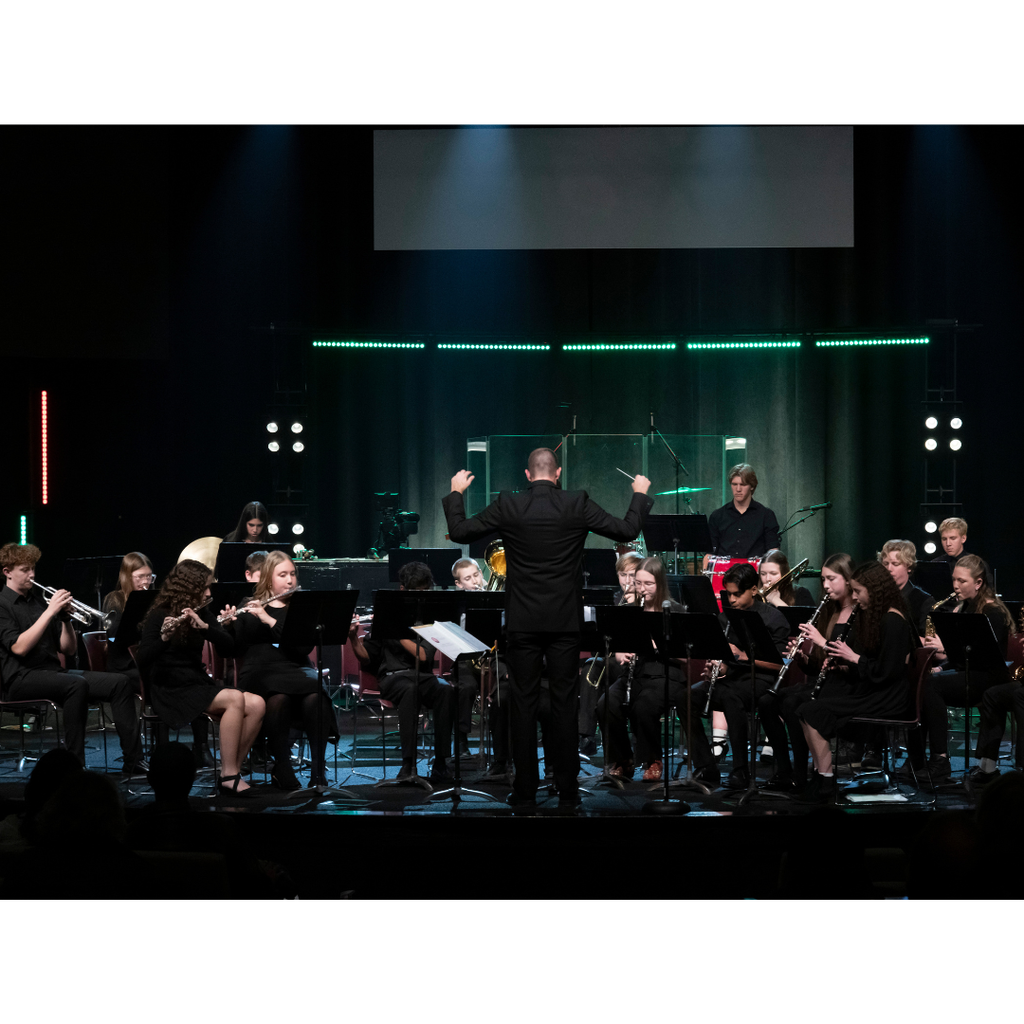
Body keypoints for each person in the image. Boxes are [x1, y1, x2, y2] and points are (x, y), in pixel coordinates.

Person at [442, 447, 653, 807]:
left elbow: (460, 532)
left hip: (522, 622)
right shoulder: (576, 502)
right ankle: (567, 790)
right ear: (558, 474)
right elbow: (627, 529)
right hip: (563, 623)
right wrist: (639, 493)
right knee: (564, 705)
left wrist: (457, 492)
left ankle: (525, 789)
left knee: (522, 705)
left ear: (527, 475)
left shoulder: (509, 503)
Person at [0, 542, 145, 774]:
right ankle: (75, 766)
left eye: (33, 568)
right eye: (25, 570)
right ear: (7, 572)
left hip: (53, 673)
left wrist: (66, 619)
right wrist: (50, 612)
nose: (32, 574)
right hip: (19, 678)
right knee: (75, 685)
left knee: (119, 682)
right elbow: (19, 648)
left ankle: (134, 761)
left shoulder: (38, 602)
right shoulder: (3, 604)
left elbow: (68, 650)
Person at [136, 559, 265, 796]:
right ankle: (229, 776)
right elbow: (143, 659)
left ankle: (230, 771)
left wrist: (206, 628)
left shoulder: (202, 612)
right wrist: (164, 639)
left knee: (257, 704)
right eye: (204, 587)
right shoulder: (159, 614)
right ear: (189, 588)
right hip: (170, 687)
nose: (208, 593)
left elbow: (229, 648)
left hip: (196, 682)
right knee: (234, 698)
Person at [796, 561, 916, 804]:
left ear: (874, 590)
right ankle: (821, 776)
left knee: (812, 710)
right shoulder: (881, 617)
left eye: (859, 591)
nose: (855, 597)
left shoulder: (893, 620)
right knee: (804, 708)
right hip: (876, 690)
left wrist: (853, 657)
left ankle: (826, 780)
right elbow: (874, 666)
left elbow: (887, 672)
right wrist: (845, 665)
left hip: (889, 698)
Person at [597, 556, 719, 783]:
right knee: (606, 703)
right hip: (634, 674)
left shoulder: (675, 610)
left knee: (644, 706)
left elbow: (686, 657)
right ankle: (623, 759)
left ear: (660, 583)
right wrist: (620, 653)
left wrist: (658, 646)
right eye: (638, 583)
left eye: (648, 584)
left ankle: (653, 759)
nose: (642, 589)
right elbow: (618, 644)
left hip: (666, 675)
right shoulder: (630, 610)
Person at [230, 551, 338, 789]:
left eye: (292, 574)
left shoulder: (301, 606)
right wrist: (229, 625)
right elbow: (235, 648)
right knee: (279, 698)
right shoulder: (248, 604)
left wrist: (268, 619)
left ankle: (318, 769)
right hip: (260, 671)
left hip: (296, 668)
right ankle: (282, 765)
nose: (290, 580)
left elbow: (302, 647)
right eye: (283, 575)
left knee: (316, 696)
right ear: (268, 578)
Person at [347, 561, 455, 783]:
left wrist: (393, 631)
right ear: (403, 589)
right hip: (393, 677)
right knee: (409, 689)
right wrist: (352, 637)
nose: (421, 597)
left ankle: (441, 762)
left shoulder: (430, 619)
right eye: (417, 591)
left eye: (425, 591)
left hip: (423, 676)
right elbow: (367, 657)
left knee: (445, 690)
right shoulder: (388, 613)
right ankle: (408, 765)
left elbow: (423, 656)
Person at [756, 553, 857, 792]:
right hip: (825, 681)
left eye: (831, 579)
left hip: (847, 684)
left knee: (793, 703)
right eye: (823, 579)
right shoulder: (829, 611)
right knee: (767, 701)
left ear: (848, 579)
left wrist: (821, 642)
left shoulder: (859, 613)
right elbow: (817, 664)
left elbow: (852, 659)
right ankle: (785, 770)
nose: (825, 585)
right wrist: (803, 657)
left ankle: (802, 775)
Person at [911, 555, 1016, 784]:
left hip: (991, 677)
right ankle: (918, 759)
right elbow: (963, 656)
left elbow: (983, 657)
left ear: (978, 583)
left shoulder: (992, 613)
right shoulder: (966, 607)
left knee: (932, 686)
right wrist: (943, 667)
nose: (956, 586)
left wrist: (946, 649)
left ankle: (940, 759)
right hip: (971, 672)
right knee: (926, 681)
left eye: (962, 581)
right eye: (954, 580)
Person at [705, 561, 789, 788]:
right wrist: (719, 668)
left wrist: (744, 657)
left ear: (753, 590)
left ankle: (740, 770)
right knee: (687, 696)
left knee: (731, 696)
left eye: (737, 594)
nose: (731, 600)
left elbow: (781, 666)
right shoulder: (725, 618)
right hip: (732, 679)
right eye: (728, 594)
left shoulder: (773, 618)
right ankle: (706, 765)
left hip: (762, 679)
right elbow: (725, 660)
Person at [580, 551, 642, 756]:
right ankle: (586, 736)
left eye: (632, 575)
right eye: (623, 575)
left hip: (636, 663)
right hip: (613, 660)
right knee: (590, 666)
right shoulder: (612, 600)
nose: (627, 580)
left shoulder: (645, 601)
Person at [703, 463, 780, 569]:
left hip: (754, 573)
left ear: (752, 486)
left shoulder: (766, 515)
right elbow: (710, 552)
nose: (738, 489)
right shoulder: (717, 516)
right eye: (734, 484)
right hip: (724, 573)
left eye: (743, 485)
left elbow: (773, 551)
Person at [101, 551, 156, 681]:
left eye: (149, 576)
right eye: (140, 577)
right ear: (127, 577)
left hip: (145, 659)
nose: (145, 582)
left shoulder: (152, 598)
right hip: (124, 664)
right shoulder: (115, 598)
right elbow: (114, 636)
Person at [879, 539, 932, 635]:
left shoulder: (923, 601)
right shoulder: (878, 595)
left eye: (895, 564)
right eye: (885, 564)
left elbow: (927, 640)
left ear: (909, 566)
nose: (889, 569)